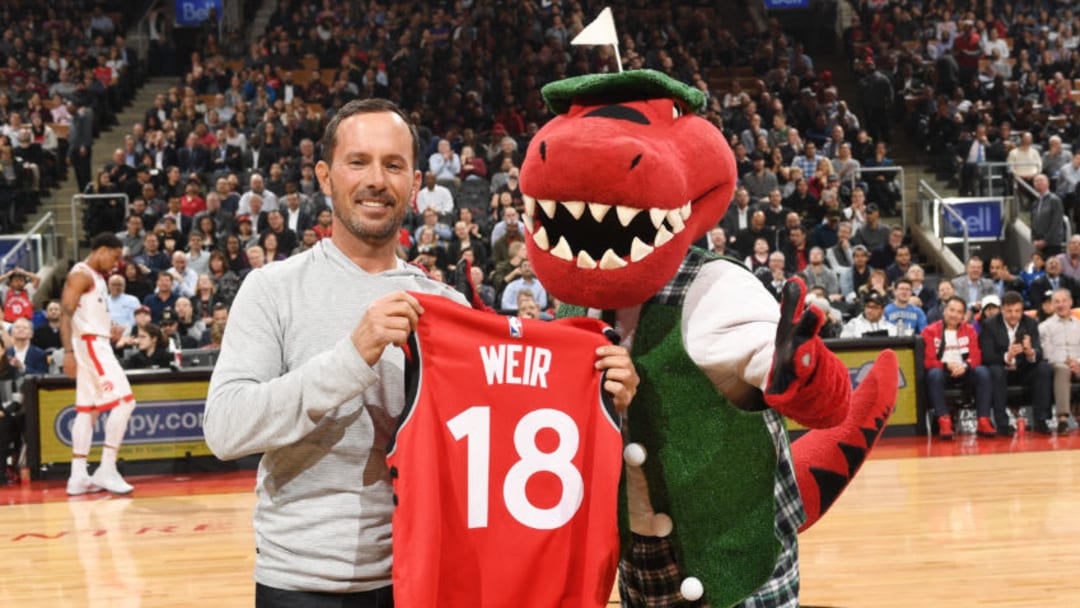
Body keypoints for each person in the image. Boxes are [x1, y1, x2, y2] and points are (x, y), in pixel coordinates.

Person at [203, 98, 638, 605]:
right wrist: (352, 356)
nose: (376, 180)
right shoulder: (271, 289)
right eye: (358, 161)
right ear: (325, 176)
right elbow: (226, 428)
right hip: (300, 581)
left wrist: (599, 393)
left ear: (414, 182)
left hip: (426, 576)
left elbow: (506, 439)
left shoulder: (445, 307)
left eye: (393, 165)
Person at [61, 233, 137, 495]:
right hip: (91, 346)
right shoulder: (81, 274)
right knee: (126, 402)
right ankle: (106, 468)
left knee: (88, 411)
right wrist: (68, 352)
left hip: (95, 342)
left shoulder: (98, 278)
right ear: (102, 250)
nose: (116, 264)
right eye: (114, 257)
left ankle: (78, 476)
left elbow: (85, 314)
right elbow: (65, 312)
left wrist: (109, 329)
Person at [979, 290, 1054, 435]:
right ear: (1001, 310)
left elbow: (1039, 352)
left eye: (1017, 311)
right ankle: (1002, 423)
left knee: (1043, 368)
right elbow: (987, 356)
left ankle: (1041, 420)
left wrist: (1030, 352)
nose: (1014, 315)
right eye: (1009, 311)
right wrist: (1008, 356)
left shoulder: (1031, 323)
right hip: (1002, 370)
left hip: (1024, 369)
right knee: (995, 370)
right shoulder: (989, 325)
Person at [921, 296, 994, 440]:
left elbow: (977, 356)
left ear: (963, 315)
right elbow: (928, 361)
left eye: (959, 312)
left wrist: (965, 365)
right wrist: (946, 365)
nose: (954, 315)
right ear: (944, 311)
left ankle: (983, 420)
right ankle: (944, 421)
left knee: (983, 372)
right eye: (951, 310)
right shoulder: (929, 331)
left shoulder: (970, 330)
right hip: (942, 371)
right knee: (934, 374)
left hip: (965, 371)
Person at [1038, 288, 1080, 434]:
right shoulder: (1044, 327)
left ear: (1071, 303)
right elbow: (1046, 353)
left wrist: (1078, 363)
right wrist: (1066, 362)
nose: (1061, 305)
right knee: (1063, 369)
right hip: (1057, 365)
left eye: (1064, 301)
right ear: (1052, 305)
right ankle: (1062, 420)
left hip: (1078, 364)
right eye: (1057, 302)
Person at [1031, 173, 1065, 258]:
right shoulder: (1035, 203)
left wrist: (1046, 241)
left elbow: (1056, 223)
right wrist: (1034, 239)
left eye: (1041, 180)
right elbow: (1033, 223)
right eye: (1036, 181)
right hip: (1038, 244)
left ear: (1048, 183)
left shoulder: (1054, 200)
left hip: (1052, 244)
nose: (1038, 182)